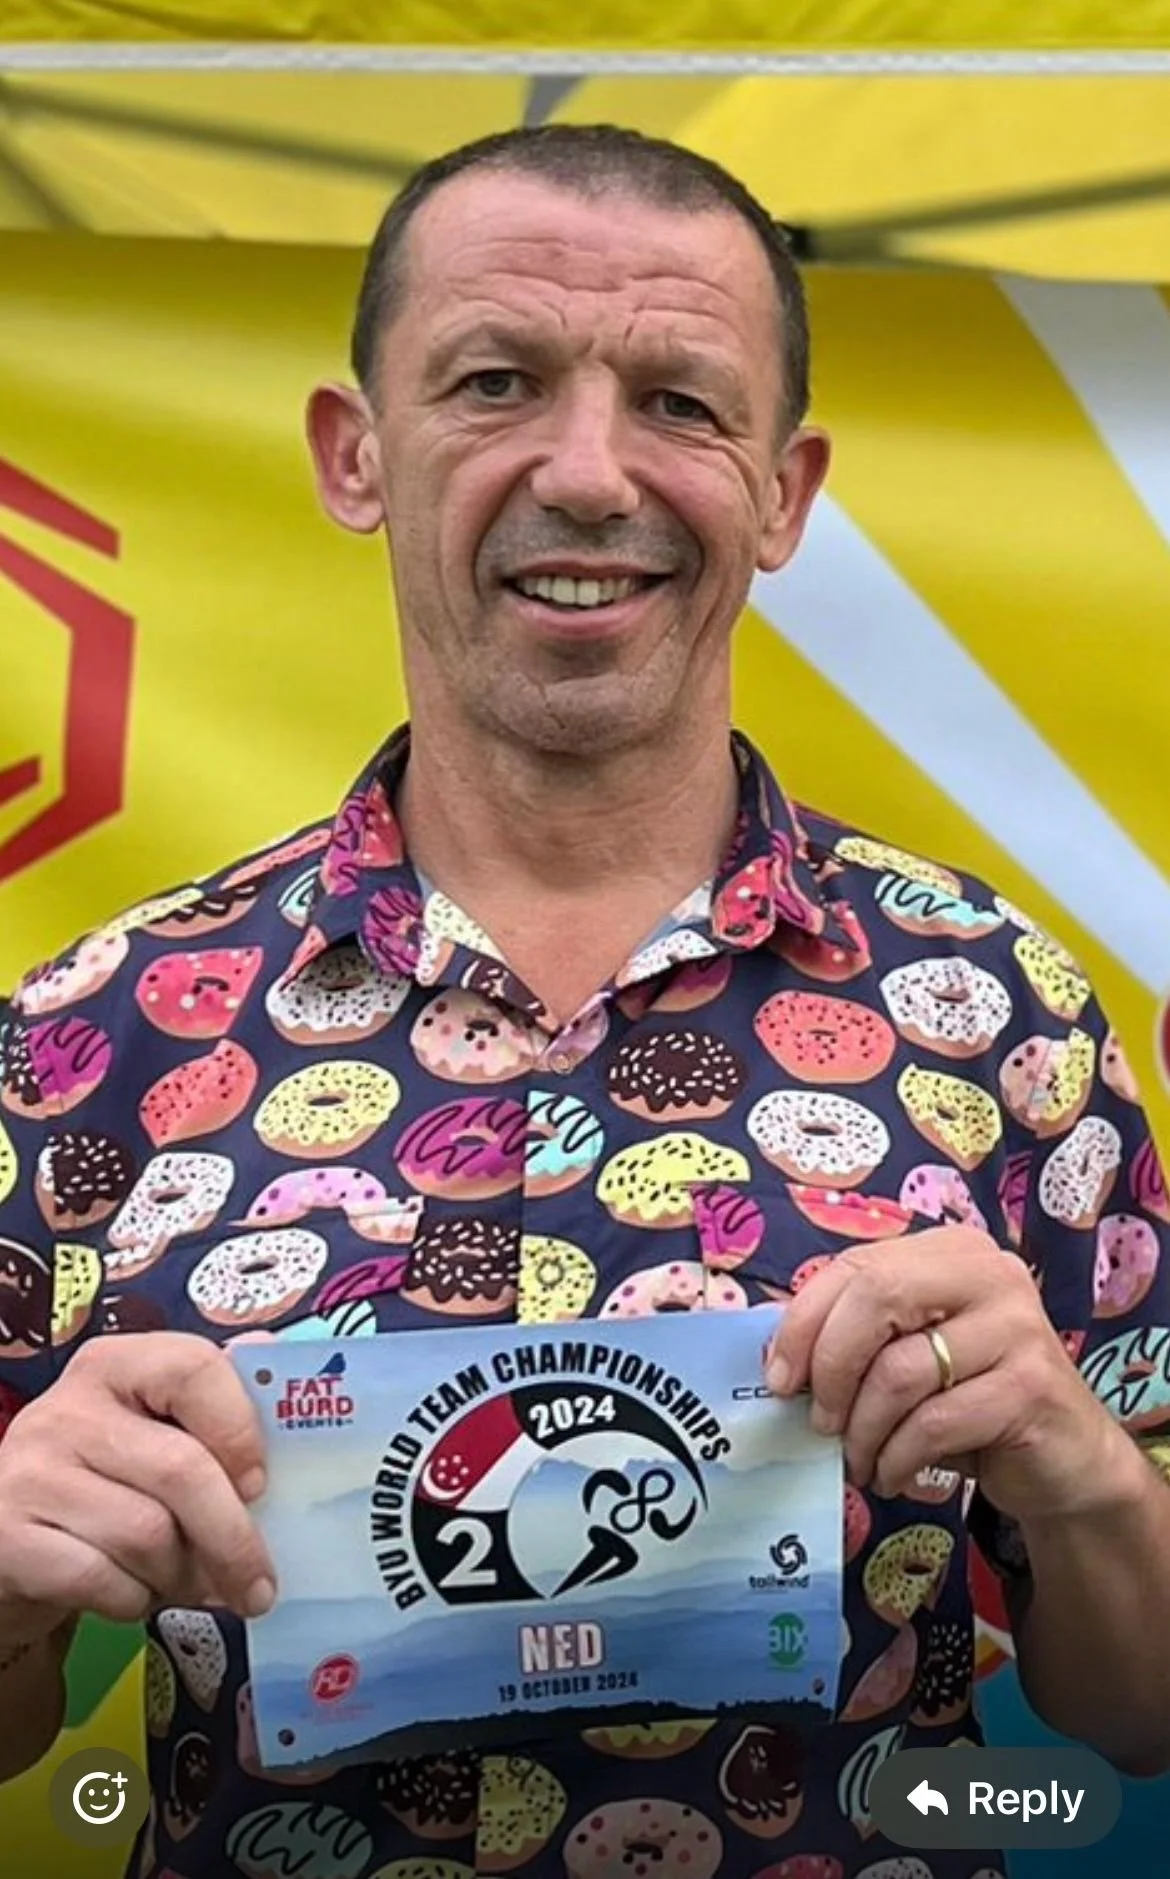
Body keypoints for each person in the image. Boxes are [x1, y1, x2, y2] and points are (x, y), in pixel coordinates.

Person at [0, 123, 1168, 1879]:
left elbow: (1137, 1721)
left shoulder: (997, 1006)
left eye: (684, 403)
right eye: (495, 380)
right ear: (354, 453)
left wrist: (1082, 1483)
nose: (590, 471)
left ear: (785, 491)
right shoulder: (92, 1034)